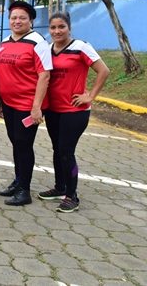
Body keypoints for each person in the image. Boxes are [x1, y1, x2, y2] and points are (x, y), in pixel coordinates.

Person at [39, 12, 109, 212]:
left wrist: (90, 96)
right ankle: (60, 187)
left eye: (61, 27)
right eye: (53, 27)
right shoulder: (48, 49)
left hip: (74, 111)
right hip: (53, 110)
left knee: (66, 152)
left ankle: (72, 196)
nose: (57, 31)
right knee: (57, 149)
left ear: (69, 28)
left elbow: (104, 71)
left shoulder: (81, 47)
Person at [0, 1, 52, 206]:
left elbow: (44, 75)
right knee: (16, 143)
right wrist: (2, 102)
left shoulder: (38, 42)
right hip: (9, 104)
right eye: (13, 17)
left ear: (31, 21)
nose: (17, 21)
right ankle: (18, 181)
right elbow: (4, 73)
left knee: (24, 145)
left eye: (22, 18)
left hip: (27, 105)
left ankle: (24, 191)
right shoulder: (5, 41)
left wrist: (37, 107)